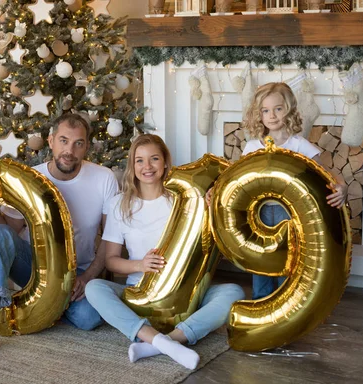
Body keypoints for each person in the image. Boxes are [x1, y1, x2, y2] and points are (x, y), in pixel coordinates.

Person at [0, 113, 118, 362]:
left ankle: (46, 308)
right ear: (50, 141)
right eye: (63, 140)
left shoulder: (104, 178)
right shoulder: (29, 177)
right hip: (35, 268)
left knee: (88, 319)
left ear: (87, 147)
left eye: (78, 143)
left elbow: (110, 238)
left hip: (77, 270)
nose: (69, 150)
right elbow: (10, 230)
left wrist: (87, 276)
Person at [85, 134, 245, 370]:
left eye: (154, 159)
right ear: (132, 166)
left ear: (165, 163)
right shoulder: (120, 205)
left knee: (233, 292)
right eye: (139, 161)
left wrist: (215, 203)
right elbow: (111, 261)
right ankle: (160, 339)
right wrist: (140, 265)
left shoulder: (185, 200)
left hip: (185, 297)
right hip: (138, 295)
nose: (147, 167)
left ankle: (168, 341)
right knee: (94, 288)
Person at [225, 82, 348, 300]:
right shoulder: (253, 147)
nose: (271, 115)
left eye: (278, 109)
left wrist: (343, 186)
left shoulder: (300, 145)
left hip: (289, 216)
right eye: (265, 110)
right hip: (258, 215)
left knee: (287, 263)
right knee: (261, 261)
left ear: (289, 110)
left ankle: (285, 313)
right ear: (259, 115)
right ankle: (260, 310)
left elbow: (329, 174)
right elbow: (234, 180)